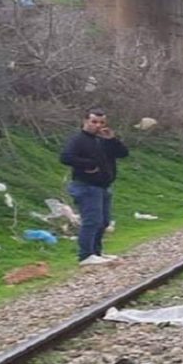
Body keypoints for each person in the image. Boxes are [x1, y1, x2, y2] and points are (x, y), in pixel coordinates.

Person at [59, 108, 129, 266]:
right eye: (94, 122)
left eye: (101, 122)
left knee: (103, 221)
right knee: (92, 221)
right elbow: (66, 157)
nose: (98, 125)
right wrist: (88, 164)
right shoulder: (78, 139)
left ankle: (96, 252)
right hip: (86, 185)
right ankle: (85, 255)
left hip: (104, 186)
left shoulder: (104, 140)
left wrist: (112, 140)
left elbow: (123, 153)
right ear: (85, 121)